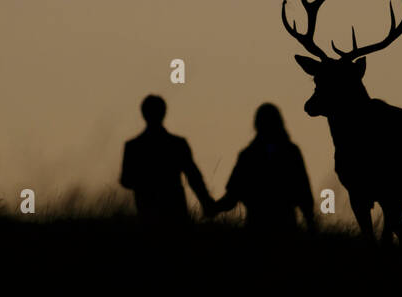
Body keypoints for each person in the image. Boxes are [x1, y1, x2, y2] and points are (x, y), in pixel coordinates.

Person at [211, 103, 316, 232]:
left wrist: (212, 208)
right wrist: (311, 224)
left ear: (256, 125)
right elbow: (305, 193)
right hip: (287, 227)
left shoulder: (248, 155)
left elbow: (232, 197)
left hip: (256, 227)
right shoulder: (291, 152)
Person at [119, 95, 214, 225]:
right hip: (175, 209)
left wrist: (145, 183)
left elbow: (125, 181)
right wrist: (206, 202)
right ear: (164, 113)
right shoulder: (177, 144)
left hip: (147, 210)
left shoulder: (133, 146)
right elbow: (193, 176)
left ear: (143, 114)